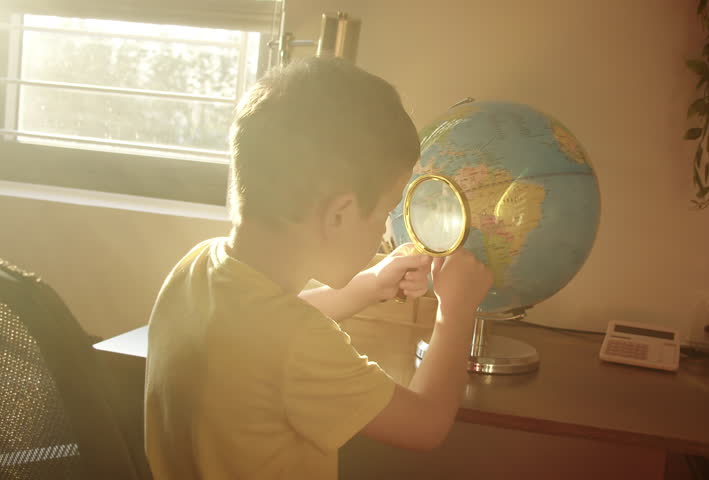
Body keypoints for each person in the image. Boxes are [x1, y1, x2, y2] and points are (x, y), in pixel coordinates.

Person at [144, 56, 493, 479]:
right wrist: (454, 314)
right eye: (384, 211)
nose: (385, 227)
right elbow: (425, 425)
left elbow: (265, 329)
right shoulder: (298, 344)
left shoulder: (196, 267)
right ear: (340, 213)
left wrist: (369, 286)